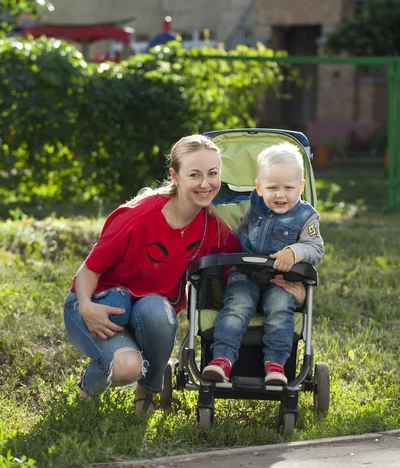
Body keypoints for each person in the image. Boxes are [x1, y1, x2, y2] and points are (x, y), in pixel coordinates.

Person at [64, 134, 241, 413]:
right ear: (176, 175)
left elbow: (239, 264)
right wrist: (86, 306)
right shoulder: (138, 216)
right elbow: (89, 270)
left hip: (149, 310)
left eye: (213, 174)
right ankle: (88, 389)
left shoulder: (212, 227)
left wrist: (284, 280)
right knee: (126, 368)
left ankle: (146, 393)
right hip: (100, 303)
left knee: (158, 309)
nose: (206, 184)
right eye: (195, 174)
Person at [202, 142, 324, 385]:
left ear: (301, 187)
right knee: (237, 306)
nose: (280, 194)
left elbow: (316, 247)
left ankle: (276, 364)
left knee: (280, 308)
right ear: (258, 187)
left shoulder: (305, 216)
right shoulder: (256, 203)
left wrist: (294, 251)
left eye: (289, 188)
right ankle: (222, 359)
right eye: (272, 188)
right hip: (245, 273)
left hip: (281, 280)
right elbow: (242, 231)